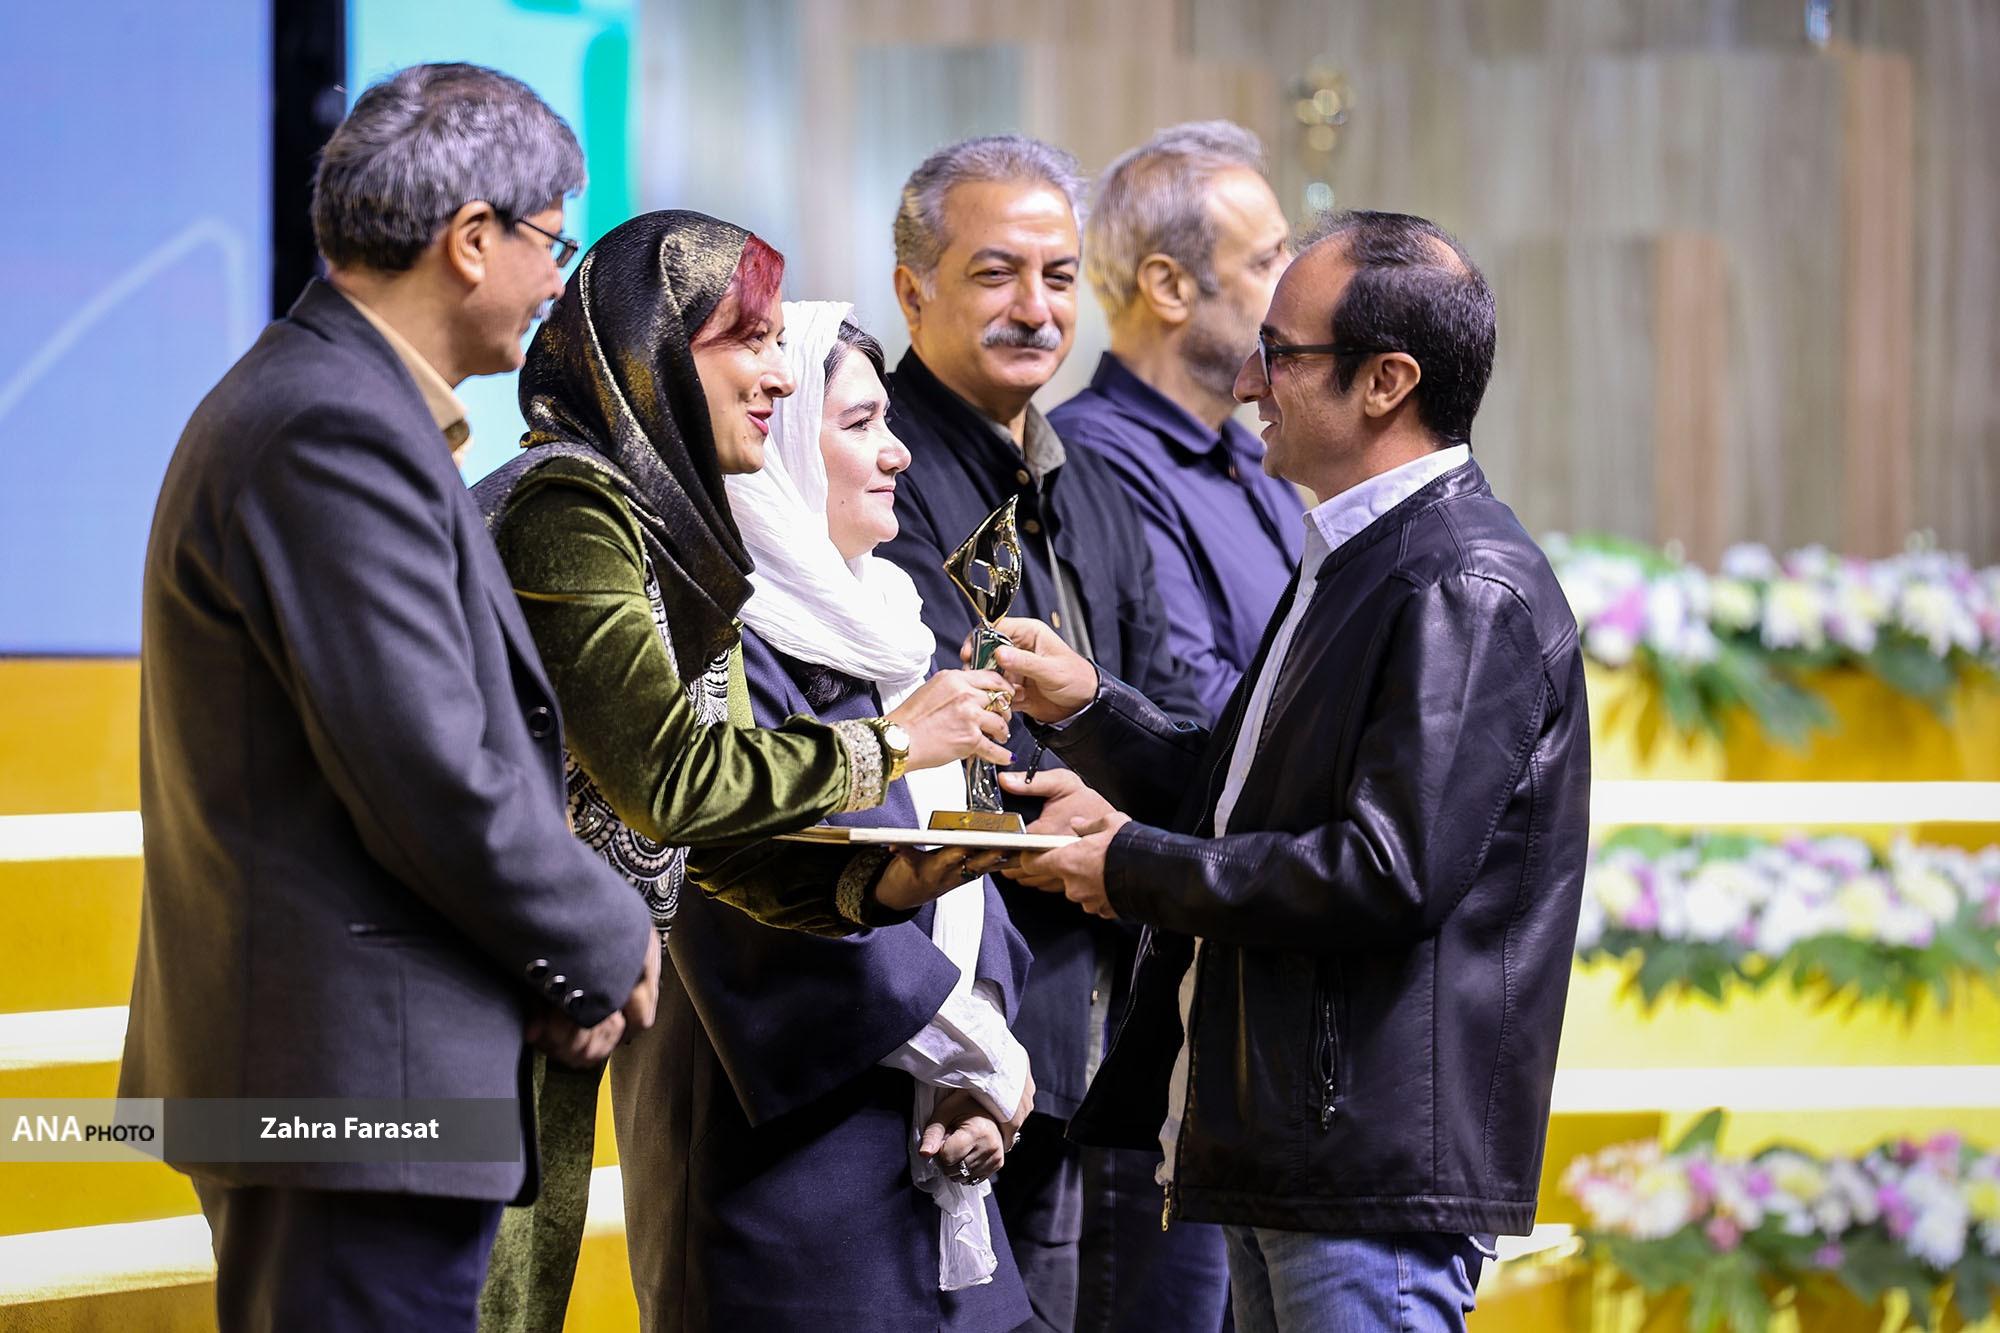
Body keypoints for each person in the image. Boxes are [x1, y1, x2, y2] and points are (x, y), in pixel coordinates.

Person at [119, 63, 660, 1333]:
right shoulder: (330, 423)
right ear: (471, 239)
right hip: (345, 1080)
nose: (556, 283)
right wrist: (604, 936)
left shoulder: (335, 404)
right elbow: (426, 766)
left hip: (355, 1070)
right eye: (551, 244)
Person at [1001, 211, 1592, 1333]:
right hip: (1292, 1143)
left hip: (1365, 1169)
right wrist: (1088, 709)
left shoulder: (1462, 582)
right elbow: (1242, 795)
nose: (1249, 379)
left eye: (1280, 353)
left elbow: (1384, 872)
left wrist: (1129, 868)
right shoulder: (1359, 552)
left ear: (1386, 382)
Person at [470, 213, 1022, 1330]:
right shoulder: (571, 499)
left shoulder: (674, 538)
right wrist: (891, 744)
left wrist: (878, 883)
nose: (776, 373)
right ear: (653, 352)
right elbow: (668, 780)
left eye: (778, 343)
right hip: (455, 1016)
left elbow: (708, 843)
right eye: (748, 339)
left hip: (535, 1022)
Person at [607, 302, 1040, 1331]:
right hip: (792, 1185)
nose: (896, 452)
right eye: (858, 424)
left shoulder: (890, 622)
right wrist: (976, 1053)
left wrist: (981, 1067)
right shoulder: (713, 643)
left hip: (936, 1139)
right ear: (783, 449)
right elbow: (753, 902)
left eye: (888, 419)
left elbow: (964, 854)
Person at [878, 133, 1205, 1331]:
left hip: (1106, 1024)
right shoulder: (876, 464)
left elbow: (1161, 714)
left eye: (1058, 276)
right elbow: (928, 723)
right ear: (911, 289)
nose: (1034, 307)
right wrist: (1107, 805)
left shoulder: (1089, 484)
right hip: (949, 1024)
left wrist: (1127, 809)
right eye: (995, 273)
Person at [1048, 118, 1303, 1333]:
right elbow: (1194, 713)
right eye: (1266, 261)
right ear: (1164, 284)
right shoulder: (1098, 461)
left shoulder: (1254, 463)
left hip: (1253, 979)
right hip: (1149, 990)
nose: (1291, 289)